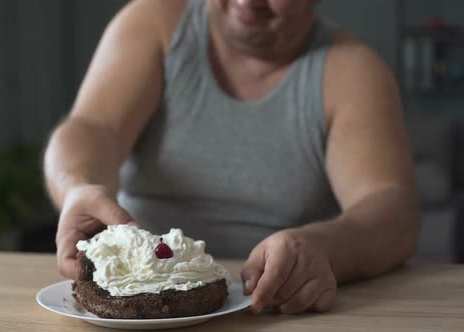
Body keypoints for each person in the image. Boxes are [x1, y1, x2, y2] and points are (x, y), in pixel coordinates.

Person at [44, 0, 421, 315]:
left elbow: (392, 209)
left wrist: (325, 246)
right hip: (128, 308)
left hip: (270, 312)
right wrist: (76, 185)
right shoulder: (154, 21)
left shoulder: (352, 70)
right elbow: (92, 128)